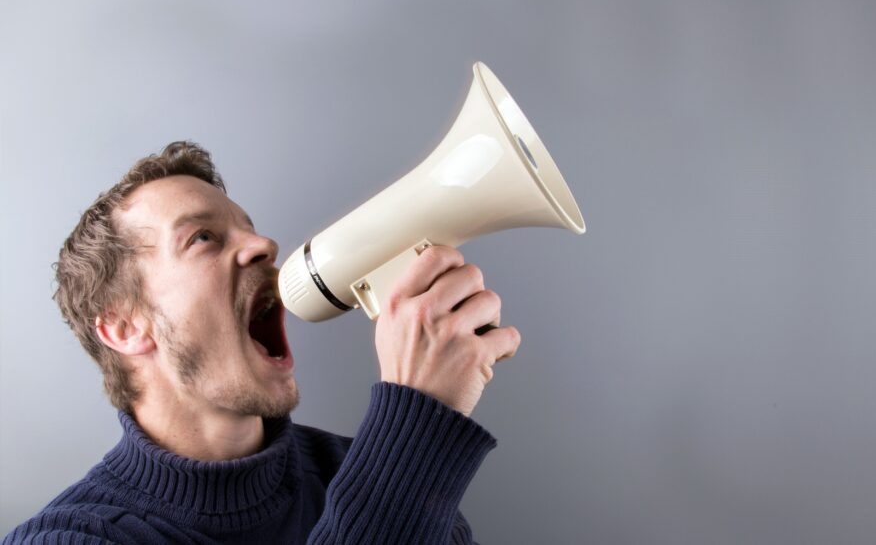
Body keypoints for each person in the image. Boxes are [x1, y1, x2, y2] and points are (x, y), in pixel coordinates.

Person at [3, 141, 521, 544]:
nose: (265, 245)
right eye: (201, 237)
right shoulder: (70, 537)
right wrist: (415, 428)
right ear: (123, 326)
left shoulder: (360, 471)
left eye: (250, 230)